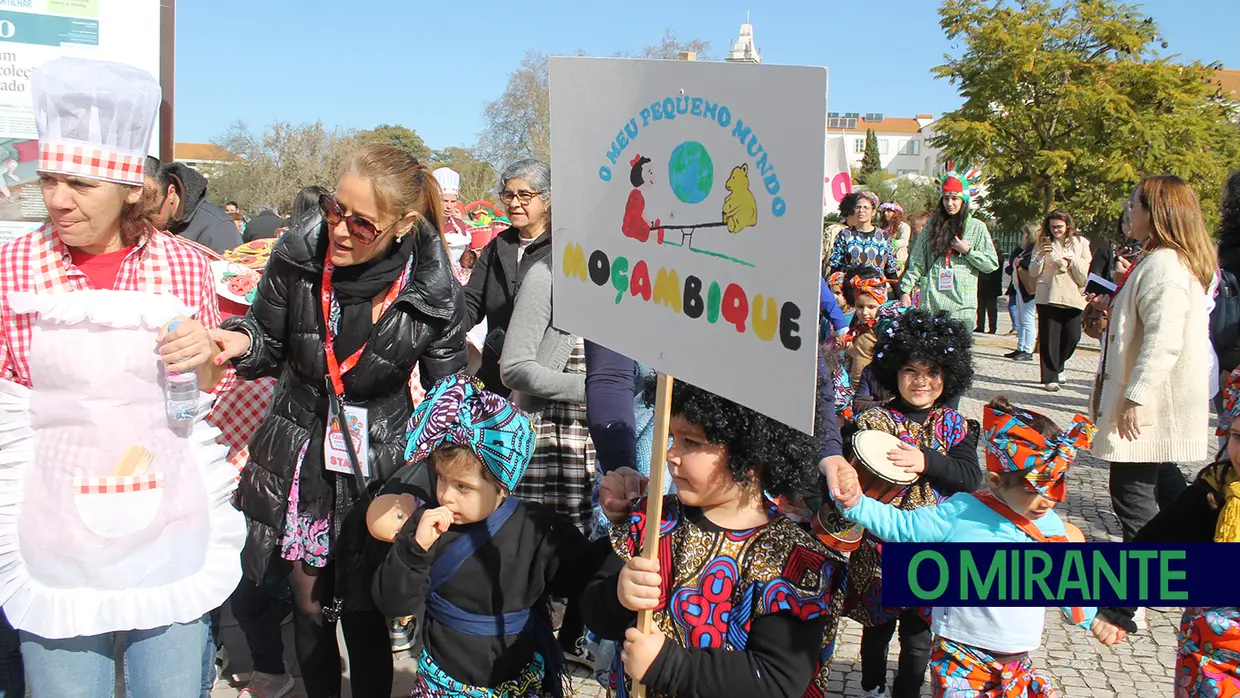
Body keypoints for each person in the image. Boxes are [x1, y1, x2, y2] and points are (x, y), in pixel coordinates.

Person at [0, 57, 243, 697]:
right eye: (50, 179)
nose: (57, 199)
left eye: (79, 184)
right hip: (54, 527)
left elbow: (211, 390)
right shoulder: (14, 266)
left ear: (129, 187)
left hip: (167, 518)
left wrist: (208, 355)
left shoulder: (189, 266)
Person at [210, 143, 468, 698]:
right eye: (334, 208)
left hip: (379, 452)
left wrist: (448, 478)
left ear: (404, 225)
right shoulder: (298, 254)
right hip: (302, 443)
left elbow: (450, 395)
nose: (341, 230)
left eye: (362, 222)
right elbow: (265, 341)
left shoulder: (433, 287)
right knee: (307, 606)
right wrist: (235, 342)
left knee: (366, 611)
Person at [584, 379, 848, 698]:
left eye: (691, 442)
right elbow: (595, 614)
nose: (671, 455)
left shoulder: (791, 562)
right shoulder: (653, 520)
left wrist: (666, 665)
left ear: (750, 456)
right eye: (672, 438)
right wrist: (618, 595)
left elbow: (778, 679)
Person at [828, 397, 1106, 696]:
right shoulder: (960, 512)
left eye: (1055, 486)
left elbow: (1065, 577)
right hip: (961, 657)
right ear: (997, 481)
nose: (1047, 500)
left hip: (1016, 660)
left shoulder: (1049, 524)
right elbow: (903, 527)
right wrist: (856, 504)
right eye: (1033, 488)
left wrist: (1095, 617)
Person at [370, 374, 604, 697]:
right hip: (443, 684)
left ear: (501, 485)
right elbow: (392, 601)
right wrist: (414, 550)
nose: (447, 497)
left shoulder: (535, 529)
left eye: (463, 487)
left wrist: (623, 539)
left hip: (516, 681)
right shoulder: (427, 527)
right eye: (441, 480)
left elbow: (587, 574)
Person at [836, 307, 982, 698]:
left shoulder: (957, 427)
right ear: (893, 373)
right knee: (876, 629)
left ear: (947, 376)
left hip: (931, 550)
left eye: (932, 372)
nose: (922, 382)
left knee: (918, 638)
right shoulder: (873, 422)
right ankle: (871, 687)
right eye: (911, 372)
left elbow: (971, 478)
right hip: (880, 545)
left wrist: (926, 461)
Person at [1096, 370, 1240, 697]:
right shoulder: (1214, 491)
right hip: (1212, 656)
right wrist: (1118, 608)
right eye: (1237, 437)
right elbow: (1153, 545)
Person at [1089, 175, 1215, 543]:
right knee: (1164, 485)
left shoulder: (1165, 265)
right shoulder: (1159, 260)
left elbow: (1164, 341)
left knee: (1131, 495)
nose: (1129, 211)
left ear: (1157, 212)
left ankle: (1137, 592)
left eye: (1135, 204)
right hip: (1151, 400)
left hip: (1151, 402)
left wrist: (1136, 396)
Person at [463, 159, 553, 397]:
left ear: (548, 199)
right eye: (508, 195)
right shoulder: (498, 246)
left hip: (543, 378)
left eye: (524, 195)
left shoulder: (563, 250)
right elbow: (471, 303)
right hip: (496, 378)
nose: (514, 203)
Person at [899, 163, 999, 325]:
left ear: (964, 200)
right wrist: (905, 290)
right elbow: (917, 261)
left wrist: (968, 251)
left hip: (962, 305)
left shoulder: (977, 227)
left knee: (959, 349)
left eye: (955, 198)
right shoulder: (931, 226)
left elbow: (991, 264)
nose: (950, 203)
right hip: (932, 301)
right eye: (946, 198)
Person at [1029, 209, 1091, 392]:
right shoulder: (1042, 243)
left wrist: (1070, 261)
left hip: (1072, 294)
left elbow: (1087, 269)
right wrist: (1041, 255)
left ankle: (1060, 364)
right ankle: (1050, 376)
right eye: (1052, 226)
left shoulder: (1081, 243)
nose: (1056, 230)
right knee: (1049, 337)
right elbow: (1033, 271)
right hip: (1048, 295)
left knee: (1073, 336)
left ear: (1068, 225)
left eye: (1060, 227)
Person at [146, 158, 243, 253]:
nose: (143, 221)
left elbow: (234, 267)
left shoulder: (219, 228)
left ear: (171, 193)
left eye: (151, 212)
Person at [828, 192, 902, 296]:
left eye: (865, 207)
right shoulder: (845, 235)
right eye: (858, 207)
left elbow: (890, 270)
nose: (861, 210)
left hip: (876, 295)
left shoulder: (883, 237)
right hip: (851, 294)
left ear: (873, 212)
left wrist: (900, 296)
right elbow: (836, 267)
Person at [433, 167, 476, 284]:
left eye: (453, 201)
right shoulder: (427, 225)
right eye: (444, 201)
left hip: (457, 280)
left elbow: (465, 259)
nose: (449, 206)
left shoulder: (460, 226)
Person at [1005, 224, 1039, 362]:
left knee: (1027, 319)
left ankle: (1027, 349)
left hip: (1028, 288)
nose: (1023, 236)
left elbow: (1033, 267)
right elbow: (1012, 262)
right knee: (1020, 317)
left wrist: (1020, 262)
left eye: (1025, 234)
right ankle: (1020, 346)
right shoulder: (1024, 249)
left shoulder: (1034, 250)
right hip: (1018, 286)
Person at [974, 253, 1003, 334]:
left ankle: (992, 328)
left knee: (991, 309)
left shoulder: (998, 257)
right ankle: (980, 326)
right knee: (980, 308)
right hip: (982, 285)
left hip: (992, 286)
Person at [879, 202, 911, 273]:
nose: (886, 213)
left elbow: (905, 241)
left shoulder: (904, 226)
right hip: (884, 262)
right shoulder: (883, 228)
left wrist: (890, 243)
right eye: (885, 211)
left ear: (896, 213)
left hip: (899, 260)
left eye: (889, 211)